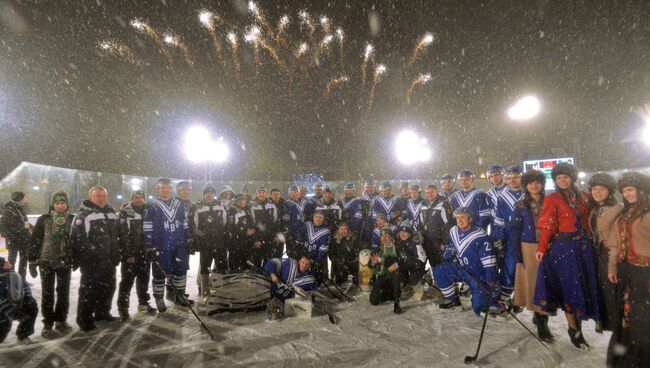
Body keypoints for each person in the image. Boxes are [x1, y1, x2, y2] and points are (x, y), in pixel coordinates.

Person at [534, 163, 600, 349]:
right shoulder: (552, 199)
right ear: (555, 180)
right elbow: (547, 226)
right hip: (564, 250)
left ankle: (583, 324)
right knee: (571, 291)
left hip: (584, 249)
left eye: (566, 177)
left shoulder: (585, 197)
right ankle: (574, 330)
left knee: (584, 289)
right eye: (559, 178)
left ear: (572, 178)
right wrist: (542, 248)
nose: (562, 180)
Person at [607, 172, 650, 368]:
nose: (627, 194)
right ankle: (628, 357)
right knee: (627, 317)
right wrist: (612, 267)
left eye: (630, 189)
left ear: (641, 190)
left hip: (645, 273)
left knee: (643, 318)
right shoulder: (624, 214)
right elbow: (615, 245)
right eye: (624, 191)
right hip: (626, 272)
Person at [509, 170, 553, 342]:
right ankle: (541, 321)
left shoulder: (550, 201)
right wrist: (518, 252)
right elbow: (514, 230)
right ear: (526, 186)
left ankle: (542, 315)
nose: (534, 186)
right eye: (530, 183)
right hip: (529, 247)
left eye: (537, 182)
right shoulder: (520, 205)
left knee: (547, 284)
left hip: (549, 246)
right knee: (535, 284)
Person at [71, 186, 120, 331]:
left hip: (110, 259)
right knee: (89, 291)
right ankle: (84, 318)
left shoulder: (111, 213)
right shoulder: (84, 215)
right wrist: (93, 253)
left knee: (108, 288)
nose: (101, 198)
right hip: (92, 262)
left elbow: (116, 236)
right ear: (90, 197)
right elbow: (78, 239)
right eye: (98, 196)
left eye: (104, 195)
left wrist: (116, 252)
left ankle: (102, 312)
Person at [433, 207, 499, 315]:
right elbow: (451, 244)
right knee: (439, 270)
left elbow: (489, 262)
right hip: (461, 270)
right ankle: (454, 300)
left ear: (470, 219)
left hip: (478, 275)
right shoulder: (453, 230)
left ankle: (490, 300)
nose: (459, 220)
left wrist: (490, 280)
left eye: (463, 217)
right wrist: (449, 250)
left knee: (478, 308)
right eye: (457, 217)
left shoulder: (480, 235)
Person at [28, 190, 75, 336]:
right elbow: (35, 240)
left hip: (64, 262)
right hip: (46, 261)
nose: (59, 206)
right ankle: (47, 323)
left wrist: (77, 258)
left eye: (62, 203)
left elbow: (77, 241)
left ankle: (61, 320)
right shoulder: (44, 219)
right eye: (56, 203)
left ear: (67, 204)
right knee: (47, 293)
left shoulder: (73, 219)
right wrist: (31, 261)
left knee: (63, 293)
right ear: (52, 204)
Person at [144, 178, 193, 312]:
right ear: (157, 189)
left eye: (168, 188)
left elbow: (184, 223)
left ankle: (178, 295)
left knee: (180, 270)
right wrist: (149, 245)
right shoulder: (151, 205)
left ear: (171, 189)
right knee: (160, 271)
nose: (165, 190)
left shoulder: (179, 204)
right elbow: (147, 226)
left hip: (179, 244)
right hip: (161, 245)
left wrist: (188, 238)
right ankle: (159, 297)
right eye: (162, 188)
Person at [587, 172, 622, 333]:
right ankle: (608, 323)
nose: (597, 192)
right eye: (594, 189)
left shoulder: (617, 209)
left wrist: (612, 265)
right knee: (603, 291)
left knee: (613, 294)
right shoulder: (595, 209)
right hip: (598, 256)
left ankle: (618, 329)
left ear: (610, 191)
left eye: (602, 189)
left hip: (611, 257)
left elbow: (616, 242)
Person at [117, 190, 156, 321]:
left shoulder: (147, 211)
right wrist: (128, 253)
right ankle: (123, 309)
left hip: (144, 253)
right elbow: (123, 235)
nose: (139, 200)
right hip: (131, 254)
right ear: (131, 199)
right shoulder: (125, 212)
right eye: (136, 197)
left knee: (143, 280)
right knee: (126, 283)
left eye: (141, 197)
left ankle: (143, 303)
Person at [490, 165, 525, 305]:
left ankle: (524, 298)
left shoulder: (528, 192)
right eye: (509, 178)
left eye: (515, 177)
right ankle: (505, 297)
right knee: (510, 267)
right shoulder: (502, 196)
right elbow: (499, 221)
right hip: (511, 239)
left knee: (530, 268)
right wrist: (498, 238)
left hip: (529, 238)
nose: (512, 180)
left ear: (521, 177)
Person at [189, 184, 228, 304]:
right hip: (205, 244)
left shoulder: (220, 205)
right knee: (205, 267)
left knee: (221, 266)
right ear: (203, 194)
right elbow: (193, 226)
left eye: (211, 193)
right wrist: (203, 237)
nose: (209, 195)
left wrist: (220, 235)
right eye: (207, 193)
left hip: (219, 242)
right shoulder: (197, 206)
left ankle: (219, 291)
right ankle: (205, 293)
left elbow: (225, 222)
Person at [0, 257, 38, 344]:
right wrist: (12, 313)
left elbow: (25, 285)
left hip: (11, 307)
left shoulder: (11, 274)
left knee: (31, 306)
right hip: (3, 312)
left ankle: (23, 335)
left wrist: (28, 298)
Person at [369, 225, 404, 314]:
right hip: (383, 275)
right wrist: (373, 263)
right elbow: (370, 264)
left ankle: (397, 302)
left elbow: (402, 260)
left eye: (386, 236)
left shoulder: (397, 247)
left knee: (396, 272)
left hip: (395, 275)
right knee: (373, 301)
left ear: (391, 237)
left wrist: (396, 264)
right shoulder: (377, 250)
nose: (384, 238)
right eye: (382, 236)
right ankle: (389, 294)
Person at [419, 184, 454, 270]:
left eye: (432, 192)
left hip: (439, 240)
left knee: (443, 262)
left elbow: (449, 224)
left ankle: (447, 282)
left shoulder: (443, 203)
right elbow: (422, 223)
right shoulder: (423, 204)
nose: (429, 194)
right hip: (428, 240)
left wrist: (445, 242)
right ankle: (436, 280)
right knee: (432, 262)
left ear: (437, 192)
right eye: (427, 192)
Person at [394, 222, 427, 302]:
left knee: (412, 277)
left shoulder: (416, 244)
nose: (403, 234)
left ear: (409, 234)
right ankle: (404, 287)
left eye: (405, 232)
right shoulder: (398, 244)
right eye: (401, 232)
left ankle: (418, 289)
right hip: (404, 268)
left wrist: (410, 263)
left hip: (415, 269)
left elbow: (422, 260)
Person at [1, 191, 31, 279]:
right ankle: (11, 279)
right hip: (14, 239)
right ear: (19, 199)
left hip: (24, 239)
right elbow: (5, 226)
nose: (26, 199)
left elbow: (24, 222)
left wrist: (29, 228)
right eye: (24, 197)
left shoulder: (19, 208)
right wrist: (22, 231)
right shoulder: (9, 209)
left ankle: (22, 280)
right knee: (12, 260)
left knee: (23, 260)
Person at [296, 210, 330, 285]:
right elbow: (299, 235)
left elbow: (323, 249)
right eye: (316, 217)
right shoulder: (307, 225)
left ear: (323, 219)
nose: (318, 219)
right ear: (313, 217)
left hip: (315, 258)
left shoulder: (326, 231)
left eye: (320, 217)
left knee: (317, 280)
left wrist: (317, 260)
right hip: (304, 255)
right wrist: (299, 242)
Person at [226, 193, 257, 272]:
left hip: (247, 245)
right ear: (236, 202)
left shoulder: (248, 210)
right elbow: (230, 229)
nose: (242, 202)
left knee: (247, 267)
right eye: (240, 200)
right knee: (234, 268)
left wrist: (253, 231)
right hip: (236, 245)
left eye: (243, 200)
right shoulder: (232, 212)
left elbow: (252, 225)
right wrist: (244, 231)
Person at [250, 186, 280, 266]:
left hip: (270, 238)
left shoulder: (272, 205)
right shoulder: (253, 207)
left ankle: (267, 276)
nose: (261, 194)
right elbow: (252, 225)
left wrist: (277, 235)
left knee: (269, 260)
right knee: (257, 261)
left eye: (263, 193)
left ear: (266, 194)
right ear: (257, 194)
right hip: (259, 238)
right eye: (259, 193)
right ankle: (257, 275)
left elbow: (276, 222)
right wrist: (255, 239)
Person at [283, 186, 306, 260]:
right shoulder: (289, 204)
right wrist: (289, 236)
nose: (296, 194)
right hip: (292, 236)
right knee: (293, 258)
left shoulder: (299, 203)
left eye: (297, 192)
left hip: (299, 235)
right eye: (294, 192)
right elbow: (285, 221)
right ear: (290, 194)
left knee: (300, 257)